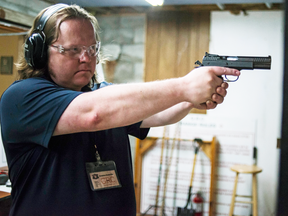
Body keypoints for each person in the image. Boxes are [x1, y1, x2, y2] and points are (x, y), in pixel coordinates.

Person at [0, 3, 240, 216]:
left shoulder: (101, 94)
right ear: (40, 53)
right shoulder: (23, 97)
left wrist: (190, 99)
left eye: (92, 49)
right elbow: (94, 114)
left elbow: (157, 114)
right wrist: (184, 86)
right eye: (72, 50)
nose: (86, 58)